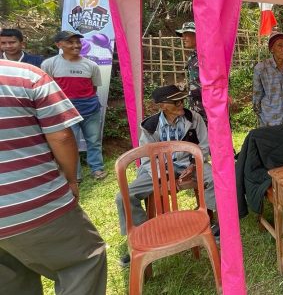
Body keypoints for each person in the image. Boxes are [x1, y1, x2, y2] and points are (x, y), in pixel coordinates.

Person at [0, 59, 107, 295]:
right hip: (33, 204)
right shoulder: (26, 76)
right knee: (83, 262)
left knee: (11, 284)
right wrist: (71, 179)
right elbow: (62, 138)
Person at [115, 85, 217, 266]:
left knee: (216, 178)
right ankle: (138, 240)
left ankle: (213, 225)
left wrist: (194, 165)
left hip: (188, 164)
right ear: (161, 106)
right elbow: (146, 158)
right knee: (123, 196)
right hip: (158, 169)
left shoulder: (194, 118)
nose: (181, 104)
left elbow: (203, 146)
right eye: (175, 101)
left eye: (182, 100)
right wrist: (165, 177)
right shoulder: (150, 127)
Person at [41, 31, 107, 180]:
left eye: (78, 42)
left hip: (90, 109)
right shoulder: (49, 64)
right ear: (59, 45)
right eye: (70, 42)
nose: (76, 45)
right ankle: (75, 175)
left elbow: (94, 88)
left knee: (94, 140)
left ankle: (97, 169)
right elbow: (47, 89)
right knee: (70, 144)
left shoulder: (91, 65)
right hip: (65, 112)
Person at [253, 32, 283, 126]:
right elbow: (257, 95)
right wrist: (261, 114)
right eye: (279, 46)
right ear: (271, 49)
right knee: (270, 140)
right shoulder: (261, 68)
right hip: (269, 118)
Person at [176, 21, 207, 122]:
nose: (183, 38)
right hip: (195, 106)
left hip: (208, 107)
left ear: (197, 35)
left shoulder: (207, 55)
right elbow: (195, 79)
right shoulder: (192, 57)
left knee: (210, 136)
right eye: (182, 35)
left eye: (186, 35)